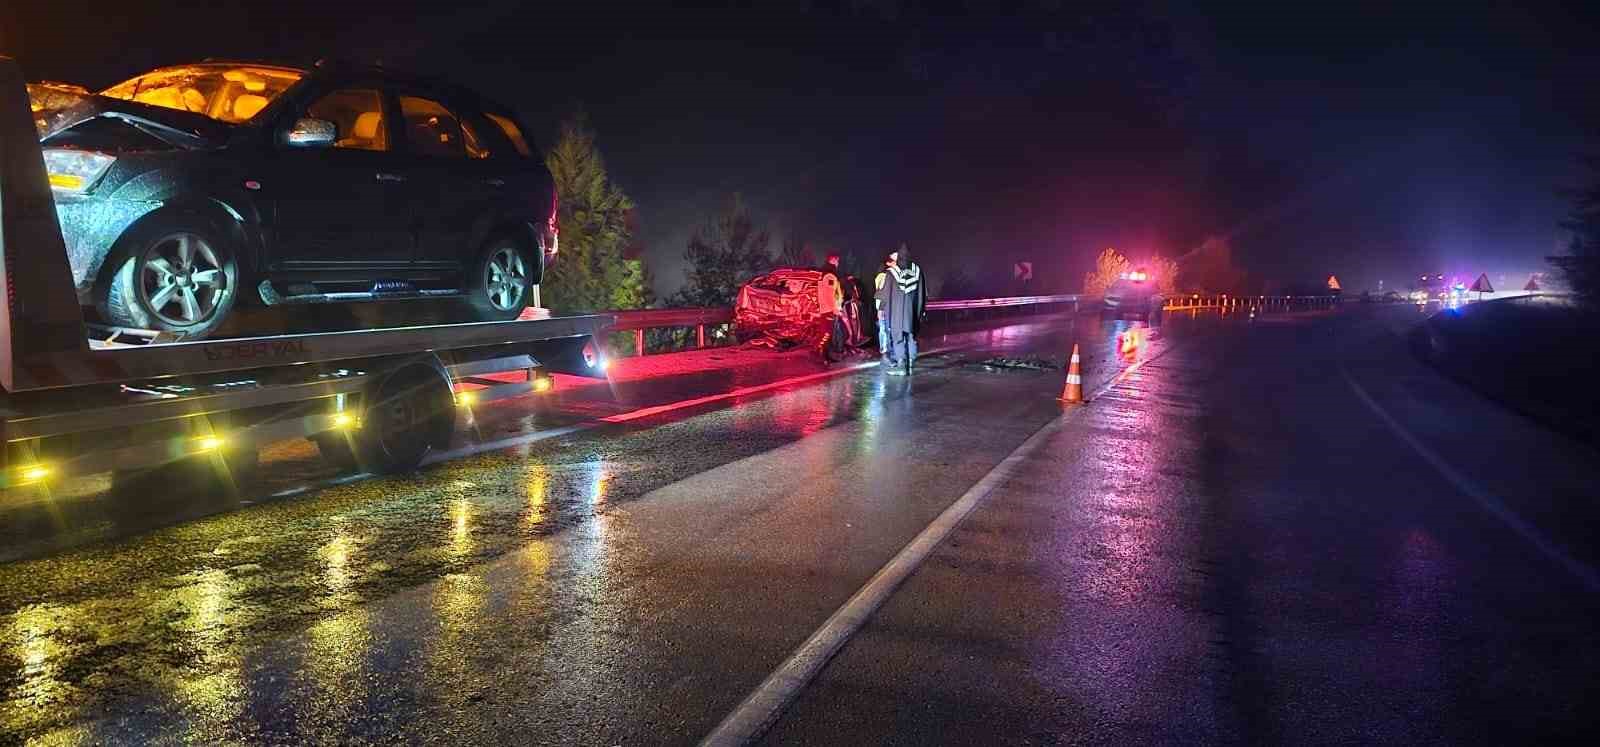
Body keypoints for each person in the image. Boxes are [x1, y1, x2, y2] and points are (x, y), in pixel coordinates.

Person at [880, 243, 925, 374]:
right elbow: (921, 294)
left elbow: (885, 294)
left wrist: (883, 310)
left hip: (896, 311)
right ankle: (910, 363)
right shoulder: (918, 271)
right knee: (911, 336)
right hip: (911, 311)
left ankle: (901, 365)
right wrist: (920, 311)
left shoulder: (891, 273)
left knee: (897, 336)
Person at [873, 251, 898, 363]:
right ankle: (887, 352)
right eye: (895, 262)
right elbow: (882, 292)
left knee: (888, 329)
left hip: (890, 306)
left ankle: (889, 351)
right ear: (889, 263)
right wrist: (881, 308)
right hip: (886, 307)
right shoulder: (884, 275)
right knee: (886, 329)